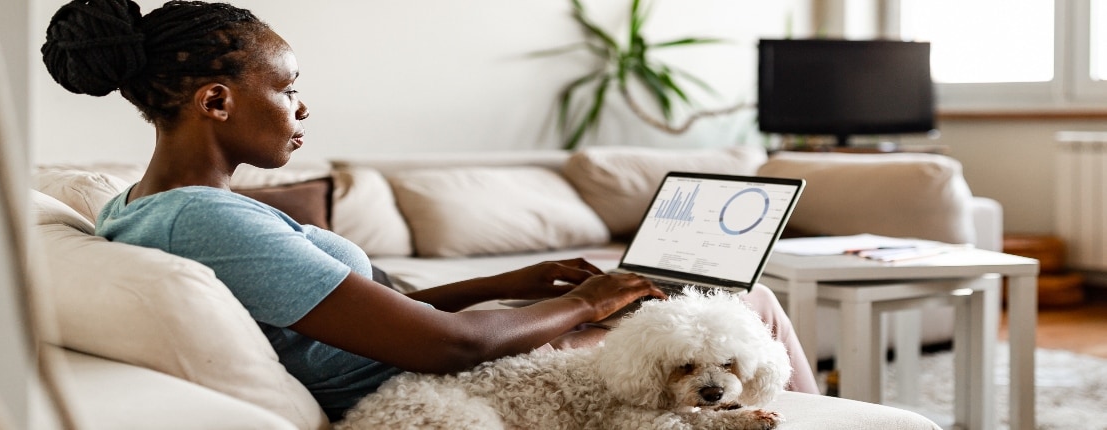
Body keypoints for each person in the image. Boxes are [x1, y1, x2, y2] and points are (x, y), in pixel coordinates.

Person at [41, 0, 819, 419]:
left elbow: (369, 310)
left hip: (407, 357)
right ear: (216, 100)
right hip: (425, 385)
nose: (302, 107)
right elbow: (440, 346)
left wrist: (517, 280)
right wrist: (587, 300)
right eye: (286, 87)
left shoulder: (144, 207)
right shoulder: (205, 220)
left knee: (688, 304)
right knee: (746, 301)